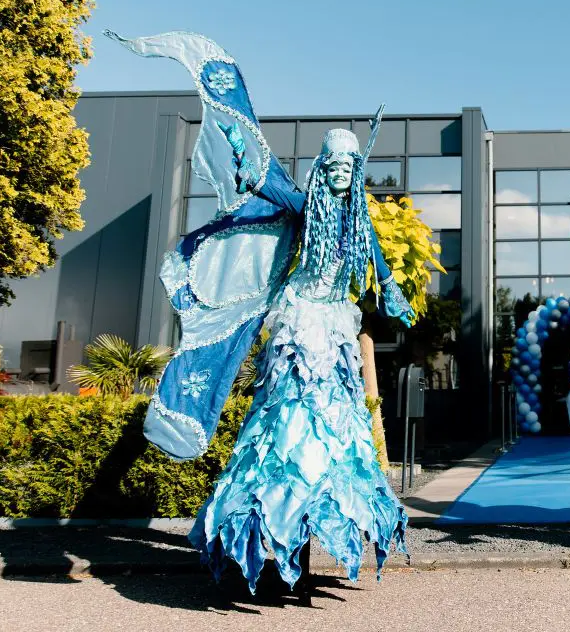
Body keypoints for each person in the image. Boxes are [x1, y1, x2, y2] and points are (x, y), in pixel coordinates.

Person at [108, 31, 413, 600]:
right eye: (334, 164)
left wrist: (392, 293)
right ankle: (271, 522)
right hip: (299, 326)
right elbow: (262, 177)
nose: (342, 173)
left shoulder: (356, 217)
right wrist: (233, 128)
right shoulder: (305, 205)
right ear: (323, 167)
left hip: (336, 329)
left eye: (350, 165)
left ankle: (310, 521)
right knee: (288, 425)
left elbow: (372, 251)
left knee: (335, 427)